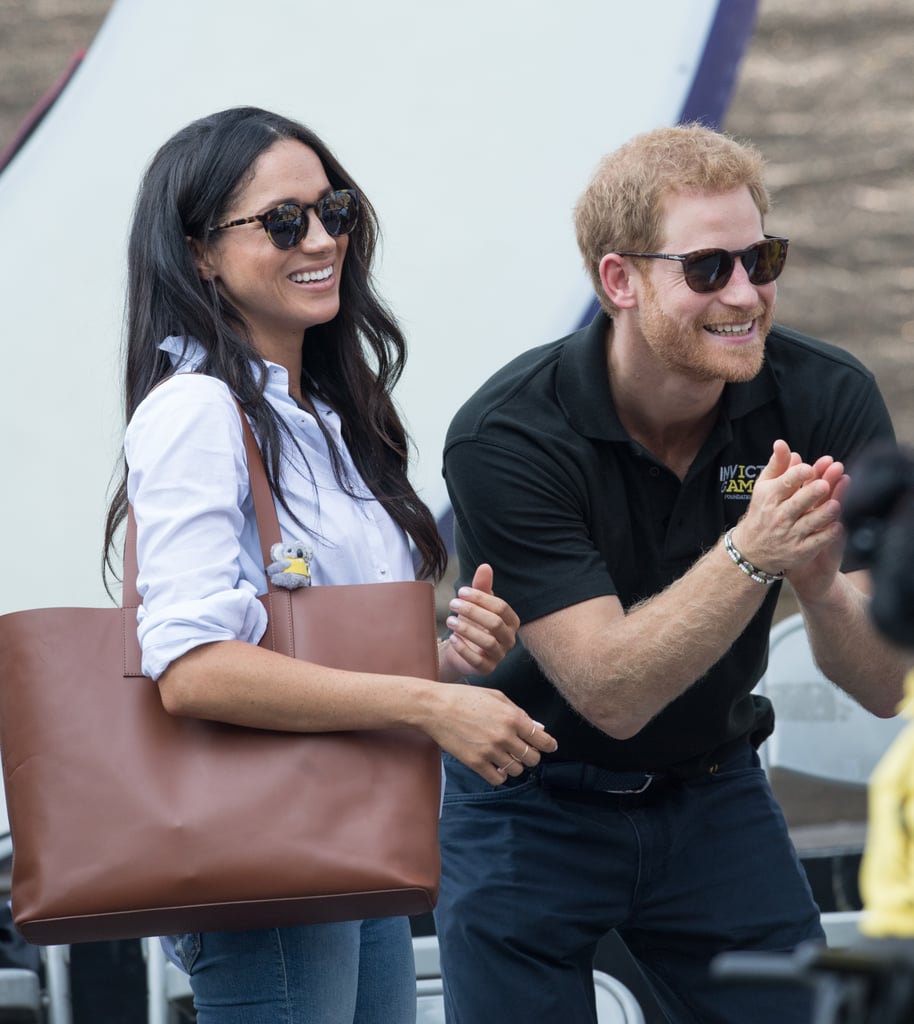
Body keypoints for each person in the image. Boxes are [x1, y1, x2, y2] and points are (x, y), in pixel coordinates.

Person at [435, 123, 910, 1024]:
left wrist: (815, 583)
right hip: (529, 802)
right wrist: (751, 552)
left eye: (761, 258)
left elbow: (885, 686)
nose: (746, 294)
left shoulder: (823, 394)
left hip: (714, 790)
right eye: (707, 269)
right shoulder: (508, 434)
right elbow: (609, 690)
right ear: (620, 280)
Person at [102, 105, 557, 1024]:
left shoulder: (328, 419)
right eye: (282, 220)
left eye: (334, 210)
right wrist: (430, 704)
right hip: (268, 848)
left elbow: (320, 651)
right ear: (199, 253)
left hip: (355, 833)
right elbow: (192, 670)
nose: (322, 238)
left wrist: (452, 660)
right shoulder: (195, 410)